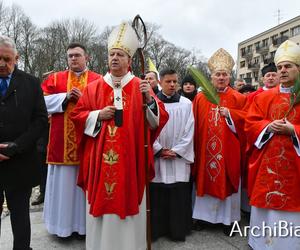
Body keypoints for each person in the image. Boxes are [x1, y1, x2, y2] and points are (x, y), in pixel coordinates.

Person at [70, 22, 169, 250]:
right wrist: (97, 115)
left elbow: (158, 119)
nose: (114, 58)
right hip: (99, 162)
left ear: (129, 60)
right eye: (111, 54)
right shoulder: (93, 88)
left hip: (130, 161)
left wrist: (149, 101)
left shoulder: (140, 86)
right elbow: (77, 116)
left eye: (120, 54)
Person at [41, 42, 101, 238]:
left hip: (87, 142)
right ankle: (62, 227)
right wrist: (64, 98)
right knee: (63, 189)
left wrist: (84, 98)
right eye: (70, 56)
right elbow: (40, 102)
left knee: (85, 188)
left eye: (77, 55)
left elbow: (104, 105)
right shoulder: (55, 78)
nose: (73, 59)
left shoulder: (98, 80)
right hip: (61, 144)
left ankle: (84, 228)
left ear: (87, 57)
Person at [245, 40, 300, 249]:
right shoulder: (264, 97)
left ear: (298, 68)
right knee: (266, 206)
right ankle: (261, 244)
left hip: (294, 168)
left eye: (288, 66)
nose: (283, 71)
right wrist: (268, 127)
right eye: (280, 67)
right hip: (267, 167)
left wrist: (293, 130)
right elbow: (250, 123)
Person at [192, 48, 247, 235]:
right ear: (211, 76)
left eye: (224, 74)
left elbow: (248, 121)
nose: (221, 78)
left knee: (227, 182)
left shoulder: (238, 98)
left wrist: (231, 114)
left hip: (228, 153)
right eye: (217, 74)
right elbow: (193, 123)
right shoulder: (200, 98)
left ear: (229, 77)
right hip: (205, 150)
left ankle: (228, 221)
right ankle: (203, 218)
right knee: (205, 180)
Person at [0, 35, 48, 250]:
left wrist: (16, 147)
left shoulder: (30, 83)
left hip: (20, 161)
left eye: (7, 59)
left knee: (20, 215)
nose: (2, 64)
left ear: (16, 58)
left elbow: (39, 120)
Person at [150, 69, 194, 241]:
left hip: (177, 158)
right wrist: (159, 150)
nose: (172, 85)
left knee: (178, 196)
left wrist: (176, 151)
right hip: (159, 157)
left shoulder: (185, 104)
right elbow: (147, 129)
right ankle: (157, 230)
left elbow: (190, 130)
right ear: (160, 82)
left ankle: (177, 231)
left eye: (175, 81)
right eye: (168, 81)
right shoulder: (151, 102)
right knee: (158, 195)